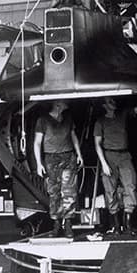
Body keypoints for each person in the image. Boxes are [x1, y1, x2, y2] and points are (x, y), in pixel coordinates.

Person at [94, 97, 137, 234]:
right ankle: (115, 225)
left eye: (113, 101)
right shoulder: (100, 122)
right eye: (109, 101)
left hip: (124, 155)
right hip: (109, 156)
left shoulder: (123, 114)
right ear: (104, 105)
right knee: (110, 190)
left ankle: (128, 224)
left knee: (130, 185)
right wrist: (104, 163)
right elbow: (97, 144)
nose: (113, 103)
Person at [34, 100, 83, 238]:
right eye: (64, 101)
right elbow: (37, 143)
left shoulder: (68, 118)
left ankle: (68, 224)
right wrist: (39, 163)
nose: (68, 102)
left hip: (68, 157)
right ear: (57, 104)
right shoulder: (43, 120)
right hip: (51, 159)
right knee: (54, 192)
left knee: (69, 191)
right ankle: (56, 224)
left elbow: (73, 137)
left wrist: (79, 155)